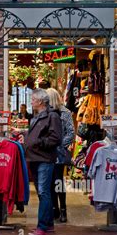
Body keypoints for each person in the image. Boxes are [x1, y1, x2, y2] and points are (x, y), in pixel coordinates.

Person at [23, 89, 62, 235]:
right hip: (35, 158)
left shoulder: (52, 116)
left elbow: (55, 138)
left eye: (33, 99)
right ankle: (48, 223)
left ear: (40, 101)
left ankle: (42, 228)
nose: (31, 101)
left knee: (44, 192)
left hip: (44, 159)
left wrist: (37, 143)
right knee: (43, 192)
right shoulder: (38, 116)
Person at [46, 88, 75, 223]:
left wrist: (59, 144)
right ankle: (54, 209)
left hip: (59, 152)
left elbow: (71, 132)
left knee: (58, 180)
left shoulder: (65, 112)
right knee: (50, 181)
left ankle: (63, 209)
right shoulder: (44, 113)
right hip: (46, 152)